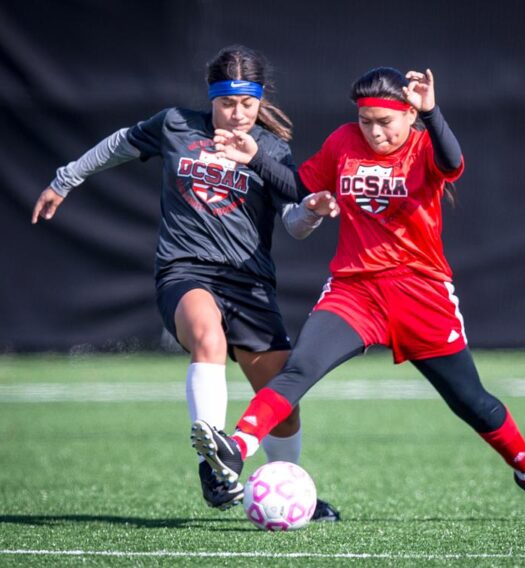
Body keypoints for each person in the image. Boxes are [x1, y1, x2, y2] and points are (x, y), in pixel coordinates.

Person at [192, 66, 525, 523]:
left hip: (421, 293)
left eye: (385, 122)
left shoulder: (423, 145)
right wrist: (256, 157)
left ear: (407, 116)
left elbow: (454, 162)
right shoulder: (342, 142)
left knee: (472, 402)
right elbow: (301, 186)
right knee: (301, 366)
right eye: (366, 121)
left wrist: (432, 111)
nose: (374, 131)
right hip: (354, 290)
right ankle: (236, 448)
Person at [31, 45, 341, 521]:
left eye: (247, 104)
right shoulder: (176, 125)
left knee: (283, 400)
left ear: (260, 100)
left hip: (250, 282)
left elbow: (294, 221)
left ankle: (287, 486)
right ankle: (213, 467)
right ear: (211, 97)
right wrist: (65, 179)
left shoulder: (272, 149)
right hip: (186, 269)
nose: (236, 115)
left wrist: (314, 212)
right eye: (226, 103)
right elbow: (118, 143)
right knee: (207, 336)